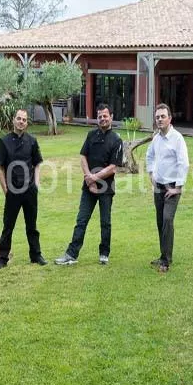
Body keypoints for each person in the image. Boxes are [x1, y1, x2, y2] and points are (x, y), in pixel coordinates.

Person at [55, 103, 123, 266]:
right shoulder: (91, 135)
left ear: (111, 117)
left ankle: (104, 253)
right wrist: (88, 178)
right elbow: (83, 157)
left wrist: (94, 178)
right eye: (99, 116)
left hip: (106, 188)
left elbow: (113, 167)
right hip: (88, 188)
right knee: (81, 220)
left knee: (105, 222)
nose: (102, 119)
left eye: (105, 116)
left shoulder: (116, 140)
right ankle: (71, 254)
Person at [0, 108, 46, 269]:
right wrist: (6, 190)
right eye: (19, 118)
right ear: (13, 120)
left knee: (32, 226)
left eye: (24, 119)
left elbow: (37, 164)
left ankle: (36, 255)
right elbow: (0, 168)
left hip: (30, 191)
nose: (21, 122)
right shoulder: (4, 142)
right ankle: (2, 258)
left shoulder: (32, 141)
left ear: (26, 123)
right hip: (12, 191)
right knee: (8, 226)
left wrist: (36, 184)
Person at [145, 103, 189, 273]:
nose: (160, 119)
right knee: (160, 222)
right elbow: (149, 156)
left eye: (163, 116)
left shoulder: (177, 138)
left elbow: (184, 163)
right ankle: (163, 255)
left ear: (170, 118)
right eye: (157, 117)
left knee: (167, 220)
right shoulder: (156, 138)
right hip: (159, 187)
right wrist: (151, 174)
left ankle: (166, 260)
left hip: (172, 189)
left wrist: (178, 187)